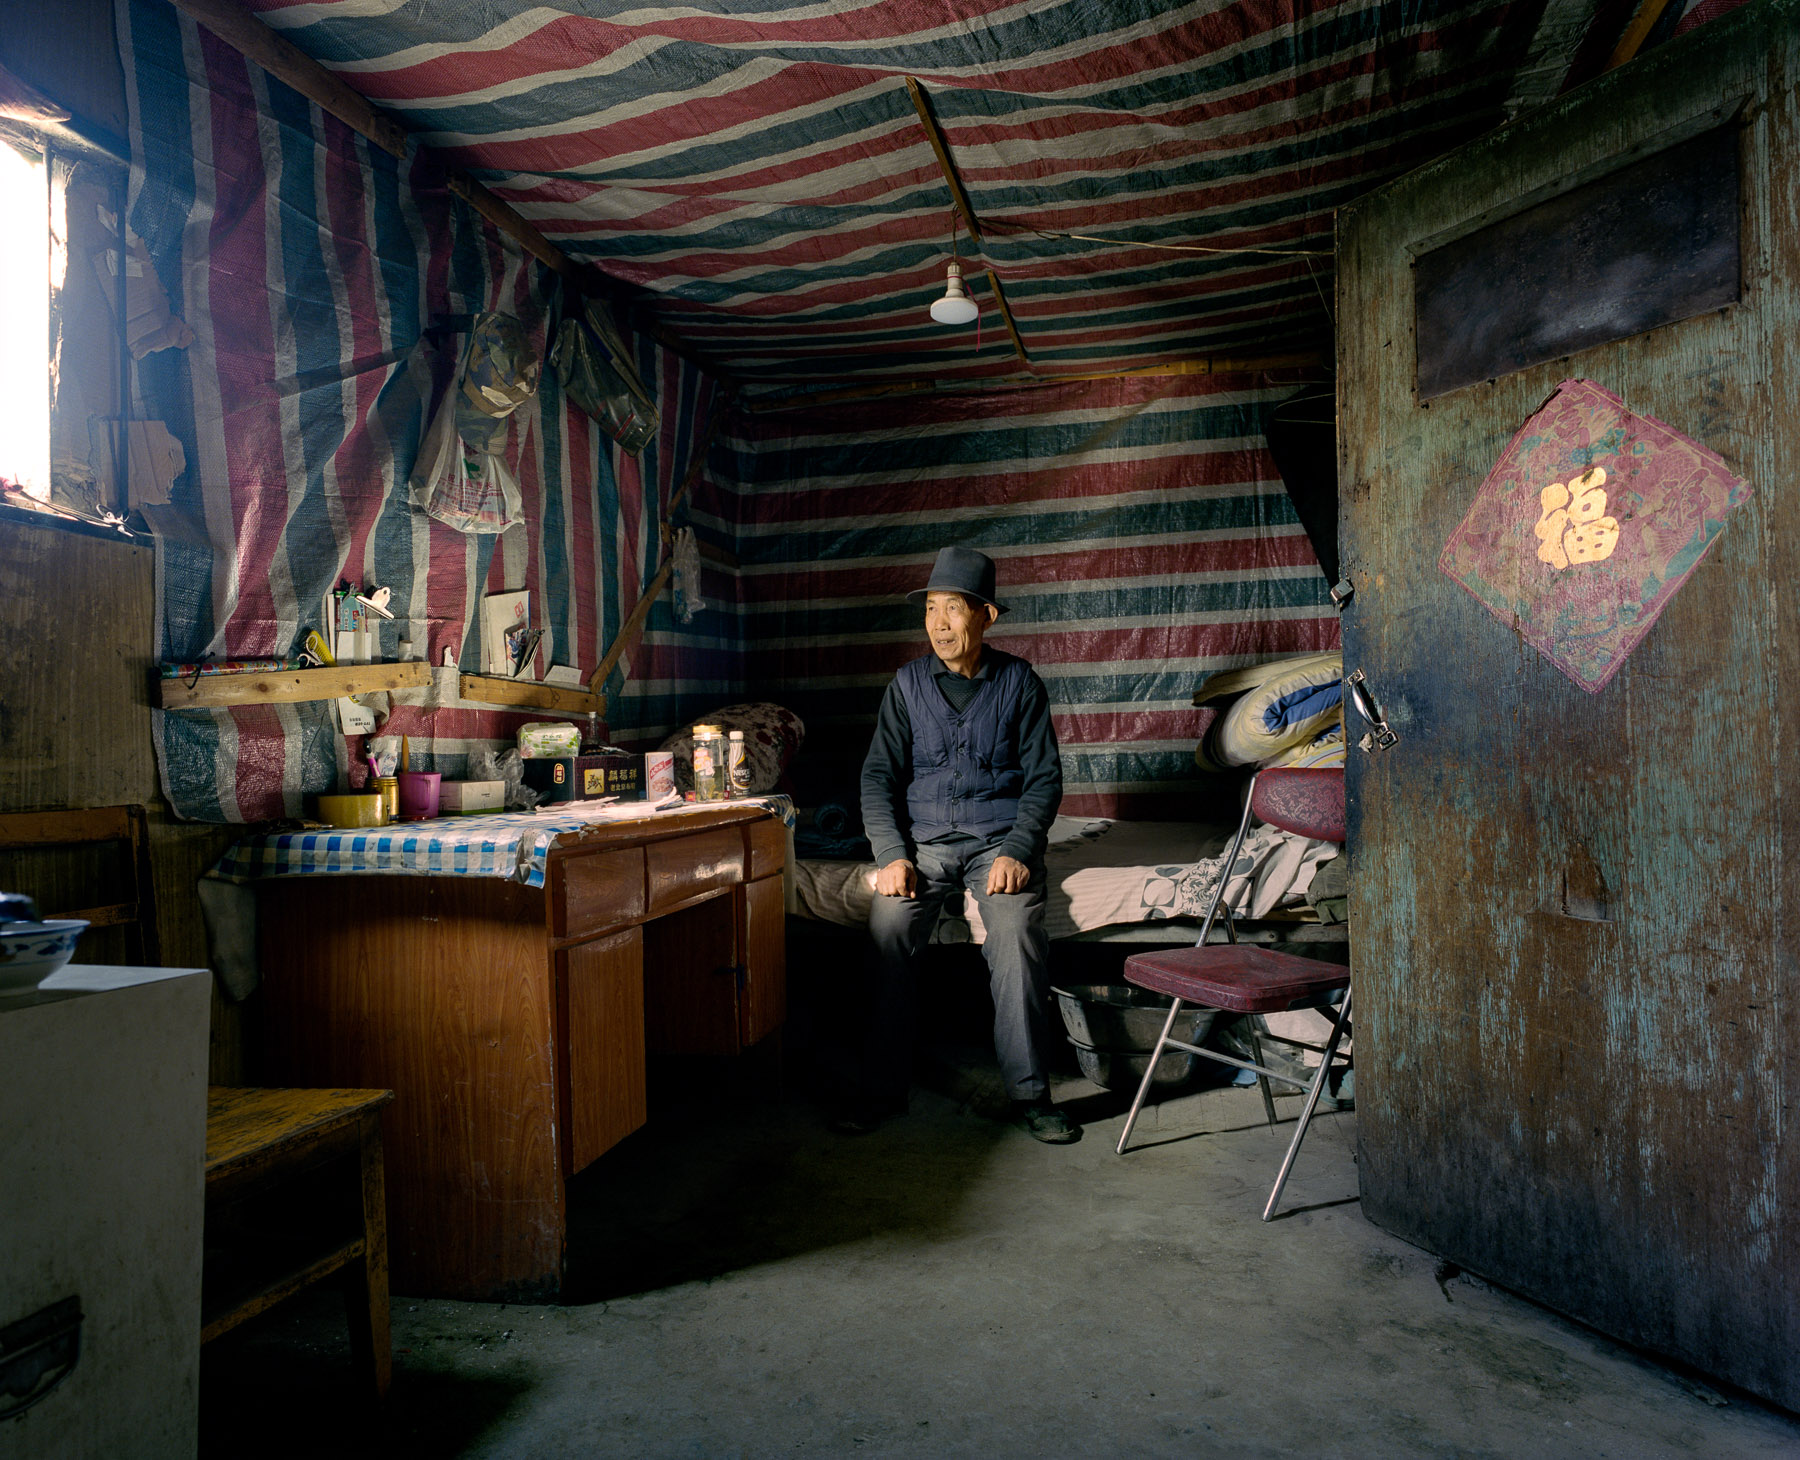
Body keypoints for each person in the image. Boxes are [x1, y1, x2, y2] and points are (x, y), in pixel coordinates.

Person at [851, 546, 1076, 1143]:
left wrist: (1019, 850)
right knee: (888, 929)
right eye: (930, 610)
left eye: (953, 609)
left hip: (997, 844)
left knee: (1015, 934)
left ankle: (1032, 1095)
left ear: (987, 616)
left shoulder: (1020, 682)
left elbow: (1045, 779)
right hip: (922, 846)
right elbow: (878, 777)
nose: (939, 624)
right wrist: (891, 856)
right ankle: (880, 1089)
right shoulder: (905, 685)